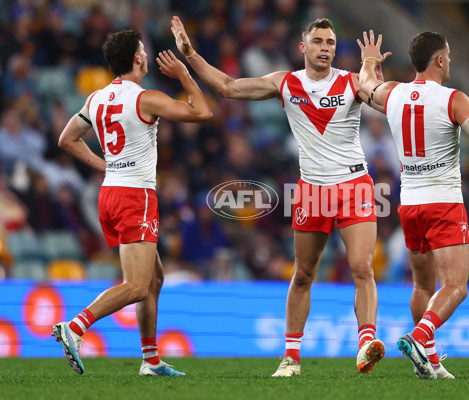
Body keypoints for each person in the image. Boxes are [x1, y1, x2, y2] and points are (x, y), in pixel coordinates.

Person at [170, 16, 385, 376]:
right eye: (318, 41)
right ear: (303, 47)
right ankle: (291, 358)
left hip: (354, 186)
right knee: (303, 273)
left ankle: (365, 344)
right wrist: (190, 53)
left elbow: (377, 94)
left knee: (362, 267)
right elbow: (226, 86)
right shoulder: (286, 83)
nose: (325, 48)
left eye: (330, 42)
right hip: (312, 190)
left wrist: (369, 65)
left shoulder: (351, 82)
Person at [51, 29, 212, 376]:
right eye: (144, 49)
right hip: (135, 195)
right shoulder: (145, 99)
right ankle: (75, 327)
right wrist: (184, 73)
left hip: (109, 193)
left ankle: (151, 361)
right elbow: (202, 113)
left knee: (153, 279)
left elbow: (67, 138)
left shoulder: (95, 99)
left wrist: (103, 164)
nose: (146, 53)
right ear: (137, 58)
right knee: (137, 285)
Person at [358, 30, 469, 379]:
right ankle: (419, 336)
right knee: (456, 287)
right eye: (449, 55)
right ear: (439, 59)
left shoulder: (392, 93)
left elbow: (366, 86)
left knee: (422, 287)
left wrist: (369, 60)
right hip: (443, 202)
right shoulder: (454, 98)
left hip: (409, 205)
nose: (451, 60)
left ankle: (430, 364)